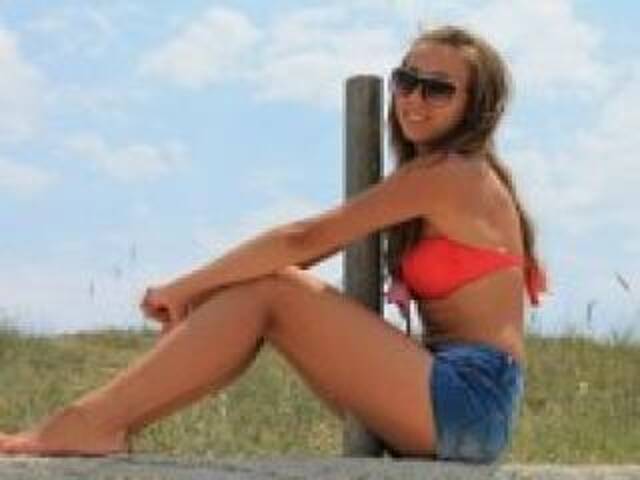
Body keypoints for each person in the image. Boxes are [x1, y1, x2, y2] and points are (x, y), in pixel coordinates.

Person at [0, 25, 547, 463]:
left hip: (467, 399)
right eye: (406, 80)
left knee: (273, 290)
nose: (414, 98)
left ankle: (88, 422)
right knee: (258, 294)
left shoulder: (454, 174)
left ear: (474, 107)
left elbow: (303, 239)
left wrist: (183, 288)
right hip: (449, 399)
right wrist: (207, 293)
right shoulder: (437, 175)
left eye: (438, 88)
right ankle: (97, 424)